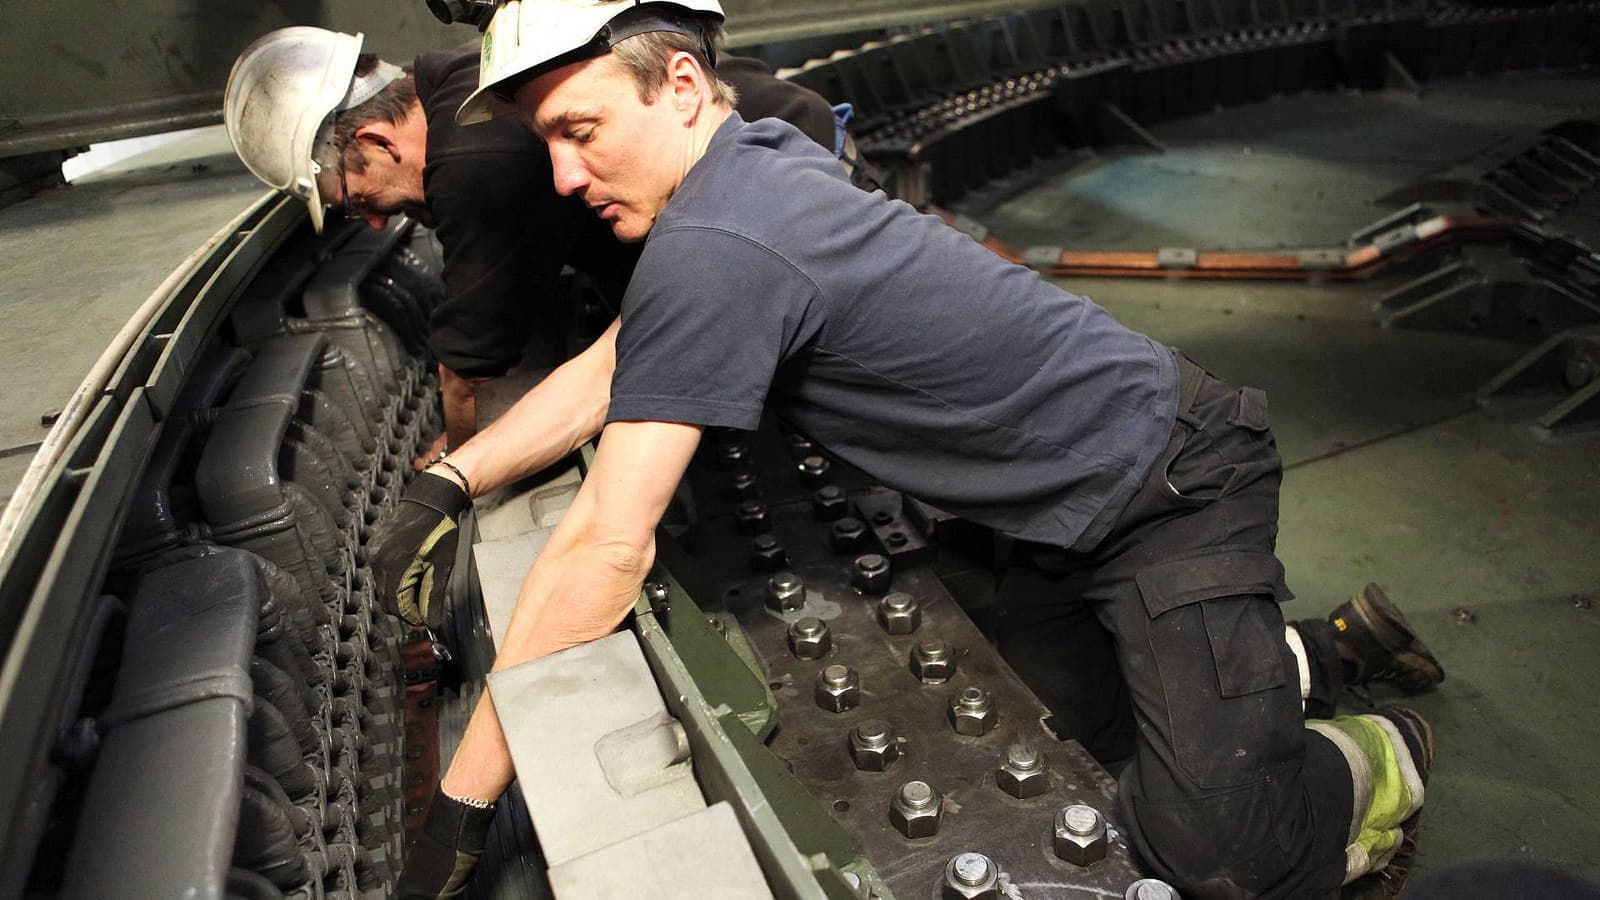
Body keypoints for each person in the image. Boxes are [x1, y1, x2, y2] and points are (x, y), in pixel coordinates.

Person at [372, 1, 1447, 897]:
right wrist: (455, 478)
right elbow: (620, 361)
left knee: (1218, 851)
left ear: (684, 86)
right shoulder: (743, 165)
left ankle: (1378, 753)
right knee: (1078, 736)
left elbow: (606, 548)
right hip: (1041, 513)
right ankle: (1291, 663)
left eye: (581, 130)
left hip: (1168, 485)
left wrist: (461, 807)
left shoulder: (719, 238)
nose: (564, 176)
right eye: (547, 144)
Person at [223, 26, 842, 460]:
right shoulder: (453, 78)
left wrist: (463, 457)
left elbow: (471, 361)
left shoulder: (469, 161)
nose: (376, 223)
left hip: (800, 198)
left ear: (378, 141)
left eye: (357, 201)